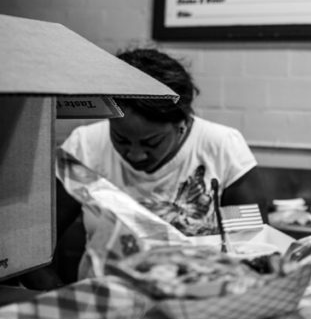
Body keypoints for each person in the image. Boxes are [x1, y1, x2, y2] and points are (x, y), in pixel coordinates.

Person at [33, 47, 267, 287]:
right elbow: (34, 250)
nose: (135, 154)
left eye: (151, 142)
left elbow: (251, 248)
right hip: (105, 300)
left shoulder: (221, 147)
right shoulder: (85, 146)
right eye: (121, 139)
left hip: (196, 298)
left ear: (183, 123)